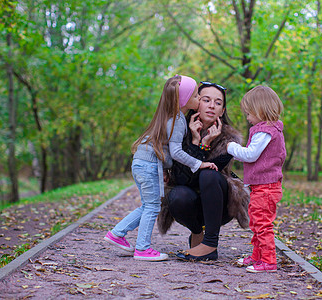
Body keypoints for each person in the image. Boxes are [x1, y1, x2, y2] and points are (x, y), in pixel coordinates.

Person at [104, 75, 217, 261]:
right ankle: (142, 249)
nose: (198, 99)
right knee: (153, 207)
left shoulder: (168, 116)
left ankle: (117, 234)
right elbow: (176, 152)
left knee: (148, 205)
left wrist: (164, 169)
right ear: (184, 99)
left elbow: (163, 148)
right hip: (148, 165)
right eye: (196, 96)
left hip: (141, 163)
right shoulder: (178, 120)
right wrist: (199, 163)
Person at [158, 81, 250, 261]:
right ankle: (196, 232)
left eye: (218, 103)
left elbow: (205, 175)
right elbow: (184, 180)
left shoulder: (229, 139)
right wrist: (195, 143)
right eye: (206, 100)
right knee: (178, 194)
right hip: (187, 204)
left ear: (222, 111)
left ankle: (210, 243)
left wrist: (205, 145)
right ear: (195, 103)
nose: (211, 106)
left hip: (219, 204)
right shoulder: (179, 131)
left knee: (209, 174)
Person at [227, 85, 286, 273]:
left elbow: (251, 155)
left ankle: (268, 261)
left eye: (249, 113)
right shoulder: (266, 130)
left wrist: (231, 147)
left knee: (262, 223)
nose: (247, 117)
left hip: (266, 188)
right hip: (262, 187)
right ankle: (257, 256)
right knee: (256, 222)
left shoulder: (264, 131)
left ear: (260, 110)